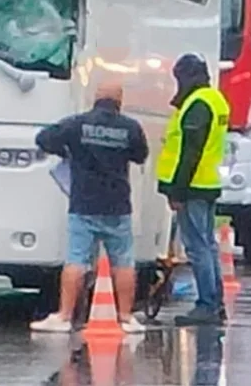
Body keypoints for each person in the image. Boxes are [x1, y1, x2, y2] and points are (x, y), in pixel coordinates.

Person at [29, 80, 149, 334]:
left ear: (95, 99)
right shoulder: (130, 127)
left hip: (84, 203)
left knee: (76, 260)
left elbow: (43, 139)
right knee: (123, 262)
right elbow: (140, 155)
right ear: (119, 101)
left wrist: (67, 149)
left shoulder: (76, 124)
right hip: (118, 205)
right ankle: (126, 318)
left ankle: (63, 317)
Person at [156, 53, 230, 326]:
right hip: (206, 183)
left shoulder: (198, 105)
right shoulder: (215, 99)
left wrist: (178, 191)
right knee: (207, 246)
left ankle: (207, 305)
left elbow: (190, 152)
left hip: (193, 187)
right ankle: (215, 303)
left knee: (198, 248)